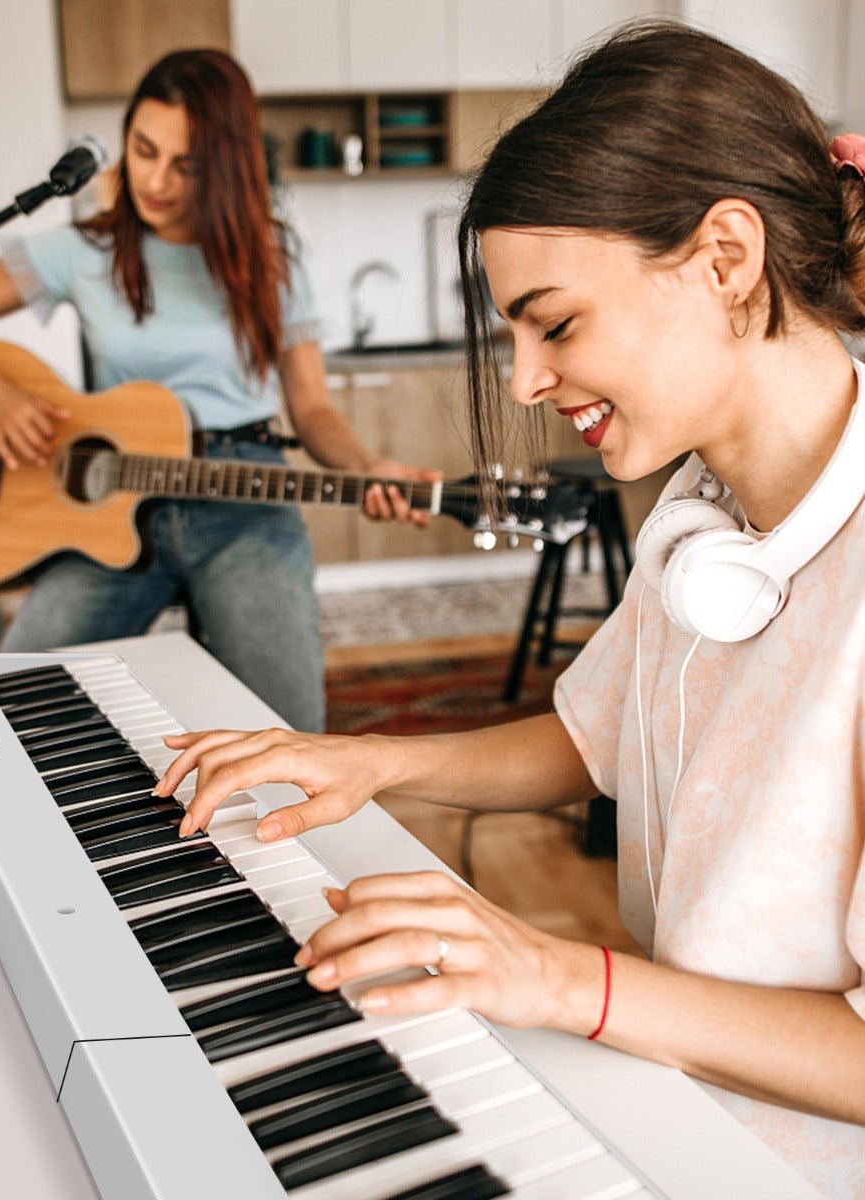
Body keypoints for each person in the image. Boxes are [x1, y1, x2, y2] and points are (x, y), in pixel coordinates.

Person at [154, 23, 865, 1197]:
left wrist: (550, 975)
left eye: (558, 321)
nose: (528, 380)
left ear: (727, 259)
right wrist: (373, 762)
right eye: (513, 333)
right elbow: (594, 738)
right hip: (675, 1086)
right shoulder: (705, 505)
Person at [0, 49, 435, 734]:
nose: (154, 180)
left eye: (186, 165)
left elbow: (313, 407)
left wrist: (363, 467)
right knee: (4, 710)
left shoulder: (273, 258)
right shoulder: (79, 252)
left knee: (289, 733)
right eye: (143, 150)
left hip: (244, 500)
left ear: (226, 167)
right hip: (108, 507)